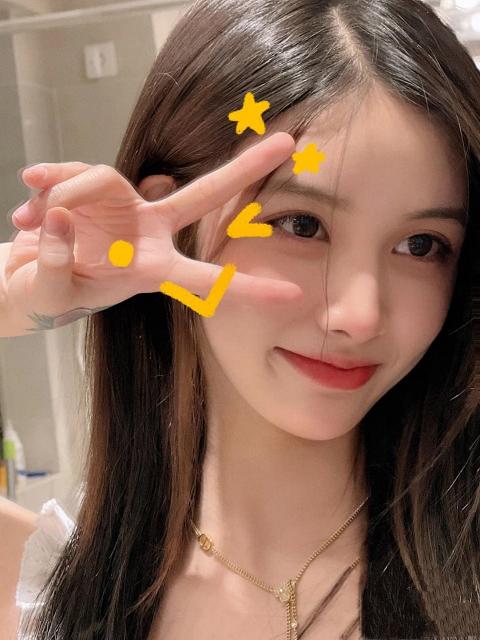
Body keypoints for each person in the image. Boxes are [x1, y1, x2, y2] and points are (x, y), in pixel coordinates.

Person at [1, 0, 480, 637]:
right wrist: (12, 303)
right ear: (176, 227)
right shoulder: (65, 584)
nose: (359, 316)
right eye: (301, 225)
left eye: (421, 245)